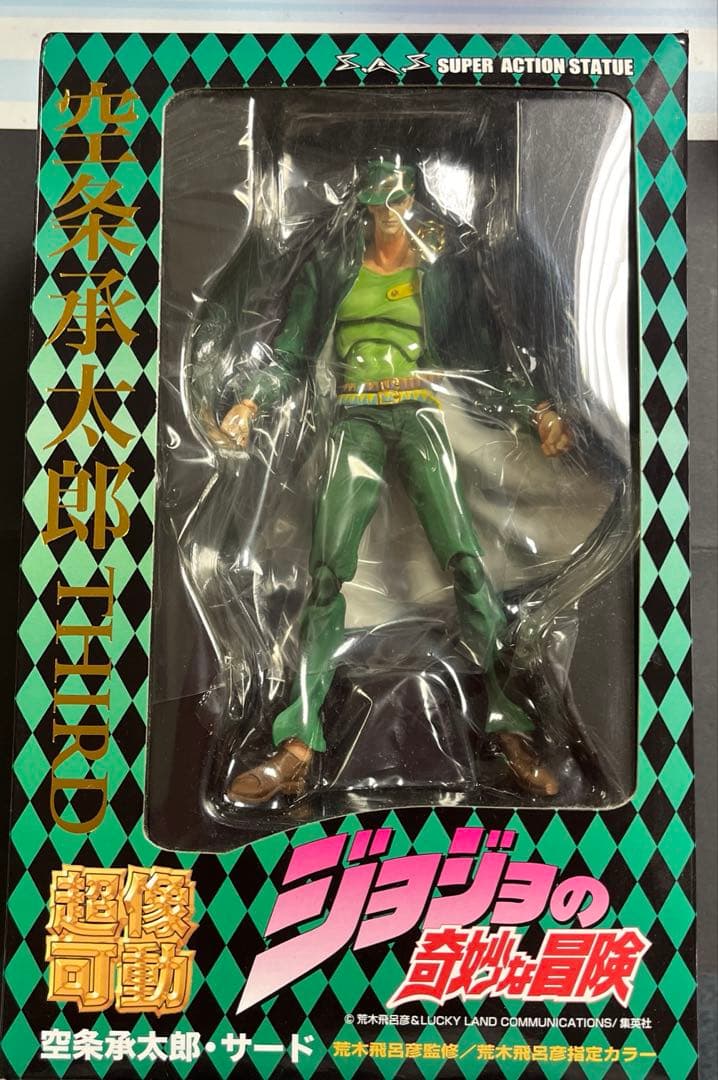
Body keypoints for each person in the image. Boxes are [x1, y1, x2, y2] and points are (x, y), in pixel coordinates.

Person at [214, 156, 571, 804]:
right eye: (377, 206)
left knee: (466, 562)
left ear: (412, 201)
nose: (388, 218)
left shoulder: (439, 269)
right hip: (355, 417)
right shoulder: (335, 265)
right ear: (364, 207)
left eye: (397, 204)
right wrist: (249, 402)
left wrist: (538, 409)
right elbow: (292, 349)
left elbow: (481, 358)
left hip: (420, 415)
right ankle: (297, 745)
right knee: (327, 572)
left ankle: (511, 729)